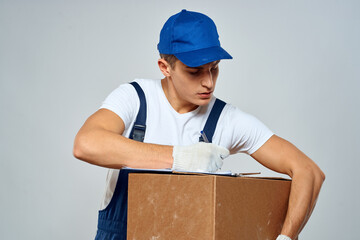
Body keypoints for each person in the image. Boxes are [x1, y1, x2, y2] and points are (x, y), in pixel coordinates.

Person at [73, 9, 325, 240]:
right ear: (165, 67)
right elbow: (86, 144)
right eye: (195, 71)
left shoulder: (226, 119)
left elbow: (309, 171)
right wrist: (182, 158)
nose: (209, 83)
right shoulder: (135, 99)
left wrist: (286, 237)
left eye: (214, 69)